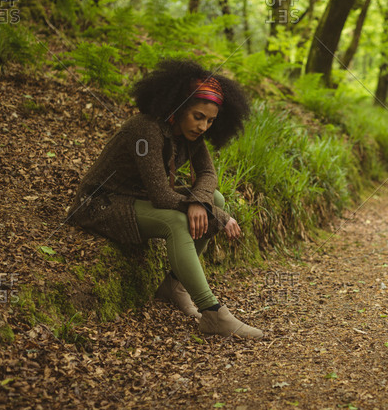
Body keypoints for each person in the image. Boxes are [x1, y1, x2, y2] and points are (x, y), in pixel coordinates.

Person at [68, 59, 263, 339]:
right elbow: (161, 195)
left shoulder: (188, 133)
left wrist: (204, 204)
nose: (203, 126)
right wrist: (218, 216)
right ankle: (212, 314)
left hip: (138, 198)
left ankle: (174, 286)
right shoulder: (145, 130)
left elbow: (208, 172)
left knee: (215, 198)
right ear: (179, 106)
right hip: (101, 204)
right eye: (198, 116)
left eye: (210, 121)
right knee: (176, 220)